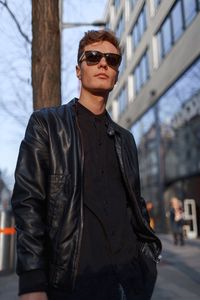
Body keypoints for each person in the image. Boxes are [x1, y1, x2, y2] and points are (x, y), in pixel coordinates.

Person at [11, 30, 162, 300]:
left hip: (129, 285)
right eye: (93, 57)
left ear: (116, 74)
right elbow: (28, 201)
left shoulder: (125, 140)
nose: (103, 63)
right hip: (73, 285)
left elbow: (135, 205)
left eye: (112, 60)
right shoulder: (47, 124)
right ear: (78, 70)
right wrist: (32, 282)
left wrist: (147, 264)